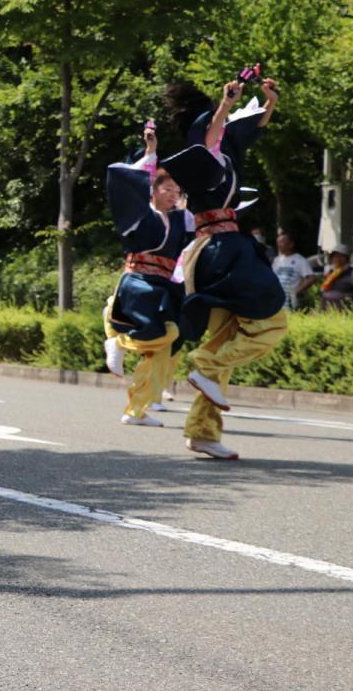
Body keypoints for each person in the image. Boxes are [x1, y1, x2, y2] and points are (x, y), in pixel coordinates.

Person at [160, 76, 287, 460]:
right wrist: (224, 105)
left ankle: (202, 432)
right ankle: (202, 364)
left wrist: (270, 101)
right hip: (218, 249)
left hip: (218, 249)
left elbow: (256, 123)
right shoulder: (203, 143)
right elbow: (209, 137)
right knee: (272, 321)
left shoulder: (230, 147)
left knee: (224, 340)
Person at [102, 123, 193, 427]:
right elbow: (134, 183)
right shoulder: (141, 217)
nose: (173, 195)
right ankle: (119, 342)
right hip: (138, 285)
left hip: (163, 288)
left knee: (164, 345)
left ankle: (136, 409)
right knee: (163, 336)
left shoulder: (181, 220)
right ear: (153, 190)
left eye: (177, 191)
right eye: (167, 189)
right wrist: (152, 151)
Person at [320, 244, 353, 311]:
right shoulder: (330, 271)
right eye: (335, 256)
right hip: (326, 307)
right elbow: (323, 289)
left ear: (347, 259)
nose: (338, 259)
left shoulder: (352, 273)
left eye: (341, 256)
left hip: (343, 309)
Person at [272, 233, 316, 310]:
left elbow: (311, 278)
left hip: (290, 304)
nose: (278, 245)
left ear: (291, 244)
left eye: (281, 242)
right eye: (277, 242)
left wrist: (296, 292)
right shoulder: (277, 260)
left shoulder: (300, 260)